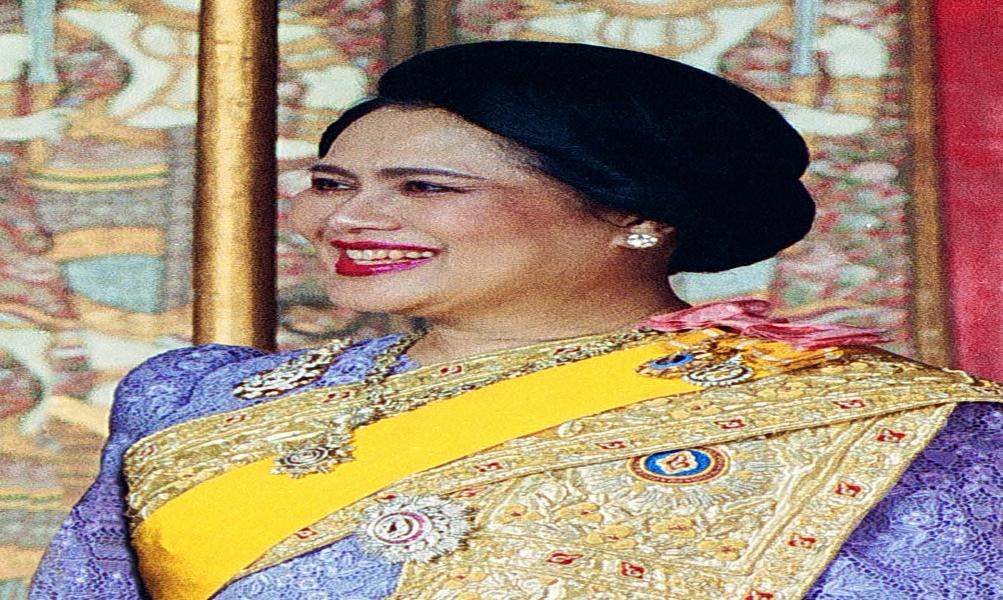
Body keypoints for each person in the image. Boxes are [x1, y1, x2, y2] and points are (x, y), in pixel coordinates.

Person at [30, 41, 1002, 600]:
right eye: (331, 183)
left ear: (635, 214)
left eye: (423, 187)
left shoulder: (898, 430)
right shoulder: (198, 398)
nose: (348, 219)